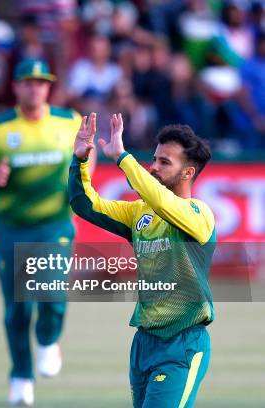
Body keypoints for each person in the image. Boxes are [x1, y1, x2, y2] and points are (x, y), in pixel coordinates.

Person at [69, 113, 215, 407]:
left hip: (182, 343)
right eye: (155, 159)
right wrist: (80, 161)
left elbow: (162, 201)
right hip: (143, 343)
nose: (153, 166)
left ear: (187, 173)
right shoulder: (139, 214)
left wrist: (123, 157)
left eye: (165, 162)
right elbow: (85, 204)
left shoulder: (199, 215)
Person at [0, 58, 91, 406]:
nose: (34, 88)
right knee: (18, 310)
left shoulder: (68, 121)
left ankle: (48, 339)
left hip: (53, 223)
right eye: (27, 81)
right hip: (12, 227)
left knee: (52, 295)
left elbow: (86, 154)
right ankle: (21, 376)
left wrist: (81, 178)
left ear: (48, 87)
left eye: (41, 82)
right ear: (16, 86)